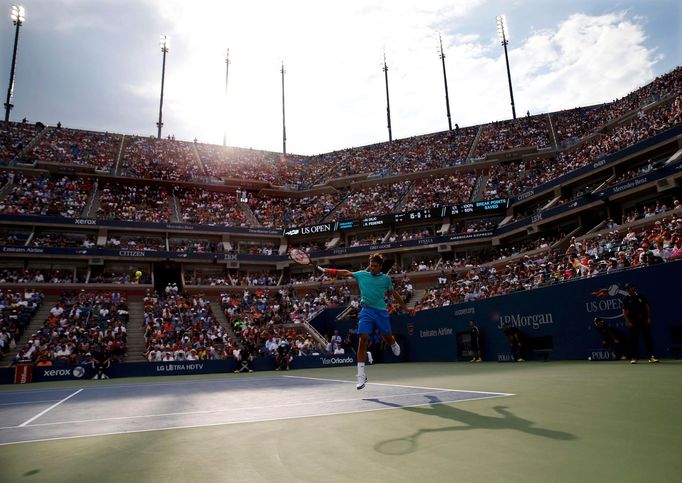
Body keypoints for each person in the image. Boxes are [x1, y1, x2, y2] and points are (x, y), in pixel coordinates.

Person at [319, 253, 415, 389]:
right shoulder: (362, 275)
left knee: (387, 337)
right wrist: (331, 271)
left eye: (375, 266)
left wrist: (405, 308)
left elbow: (395, 294)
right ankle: (361, 375)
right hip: (366, 311)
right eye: (371, 265)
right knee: (363, 338)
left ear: (381, 267)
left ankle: (393, 342)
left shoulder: (386, 279)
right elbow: (346, 272)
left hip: (381, 312)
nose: (372, 268)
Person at [622, 283, 659, 363]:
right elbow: (624, 312)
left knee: (648, 339)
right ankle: (634, 358)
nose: (627, 290)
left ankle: (651, 357)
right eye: (626, 289)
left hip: (643, 320)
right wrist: (628, 322)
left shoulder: (641, 296)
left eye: (629, 288)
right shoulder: (626, 299)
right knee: (633, 340)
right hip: (633, 322)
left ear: (633, 288)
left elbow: (647, 307)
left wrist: (648, 318)